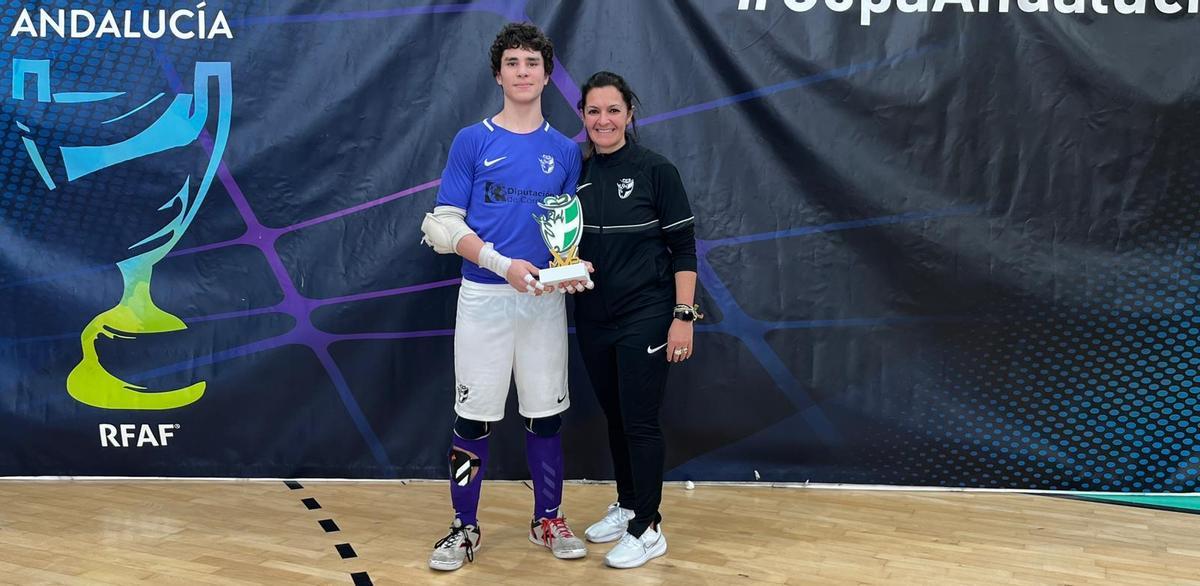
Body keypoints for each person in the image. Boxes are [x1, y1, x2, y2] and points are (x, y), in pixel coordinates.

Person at [419, 22, 587, 571]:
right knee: (471, 421)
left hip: (542, 304)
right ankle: (463, 525)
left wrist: (571, 270)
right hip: (485, 300)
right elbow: (443, 226)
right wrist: (499, 264)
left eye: (532, 63)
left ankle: (548, 517)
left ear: (545, 74)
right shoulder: (473, 140)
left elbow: (566, 232)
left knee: (547, 417)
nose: (522, 71)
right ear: (498, 74)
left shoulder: (565, 151)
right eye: (512, 62)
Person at [570, 71, 701, 569]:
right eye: (594, 111)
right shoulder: (576, 175)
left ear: (629, 114)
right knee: (617, 416)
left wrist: (681, 316)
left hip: (646, 314)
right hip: (592, 316)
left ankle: (649, 529)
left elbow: (684, 249)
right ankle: (627, 505)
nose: (603, 120)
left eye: (613, 110)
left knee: (640, 420)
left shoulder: (655, 170)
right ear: (583, 116)